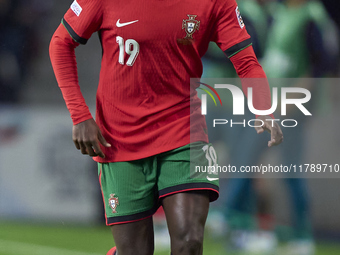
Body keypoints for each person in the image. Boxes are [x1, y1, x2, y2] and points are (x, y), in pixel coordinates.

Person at [49, 0, 283, 254]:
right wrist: (80, 115)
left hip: (183, 131)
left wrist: (263, 107)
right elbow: (61, 42)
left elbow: (245, 59)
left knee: (190, 241)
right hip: (120, 139)